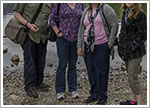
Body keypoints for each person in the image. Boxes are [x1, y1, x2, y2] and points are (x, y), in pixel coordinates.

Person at [77, 3, 118, 105]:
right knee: (91, 70)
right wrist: (79, 45)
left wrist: (110, 43)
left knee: (102, 72)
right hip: (87, 45)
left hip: (102, 45)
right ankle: (94, 94)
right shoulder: (86, 11)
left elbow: (115, 25)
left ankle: (102, 96)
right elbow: (81, 29)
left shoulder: (106, 9)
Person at [13, 3, 51, 98]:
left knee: (41, 61)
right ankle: (29, 86)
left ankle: (39, 83)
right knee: (30, 62)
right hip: (29, 35)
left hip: (43, 36)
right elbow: (16, 13)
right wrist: (28, 24)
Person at [49, 3, 83, 100]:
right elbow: (51, 19)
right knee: (62, 65)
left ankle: (73, 89)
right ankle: (60, 90)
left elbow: (82, 20)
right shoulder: (58, 3)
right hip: (63, 39)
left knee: (73, 65)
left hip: (75, 39)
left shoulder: (80, 4)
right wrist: (58, 32)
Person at [118, 3, 146, 105]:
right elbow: (123, 32)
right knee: (131, 77)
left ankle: (140, 103)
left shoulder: (140, 14)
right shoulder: (125, 12)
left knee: (132, 78)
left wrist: (132, 47)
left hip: (136, 52)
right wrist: (121, 47)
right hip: (126, 52)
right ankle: (133, 101)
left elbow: (142, 35)